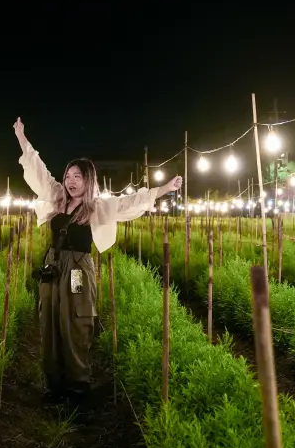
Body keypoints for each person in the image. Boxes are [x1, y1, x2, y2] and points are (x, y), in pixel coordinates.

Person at [14, 117, 183, 401]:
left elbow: (130, 202)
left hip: (77, 270)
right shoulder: (57, 197)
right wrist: (21, 137)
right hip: (53, 267)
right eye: (68, 176)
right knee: (50, 320)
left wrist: (164, 188)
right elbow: (38, 170)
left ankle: (77, 386)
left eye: (77, 177)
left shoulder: (98, 206)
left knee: (76, 320)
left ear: (88, 180)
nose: (70, 182)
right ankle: (55, 385)